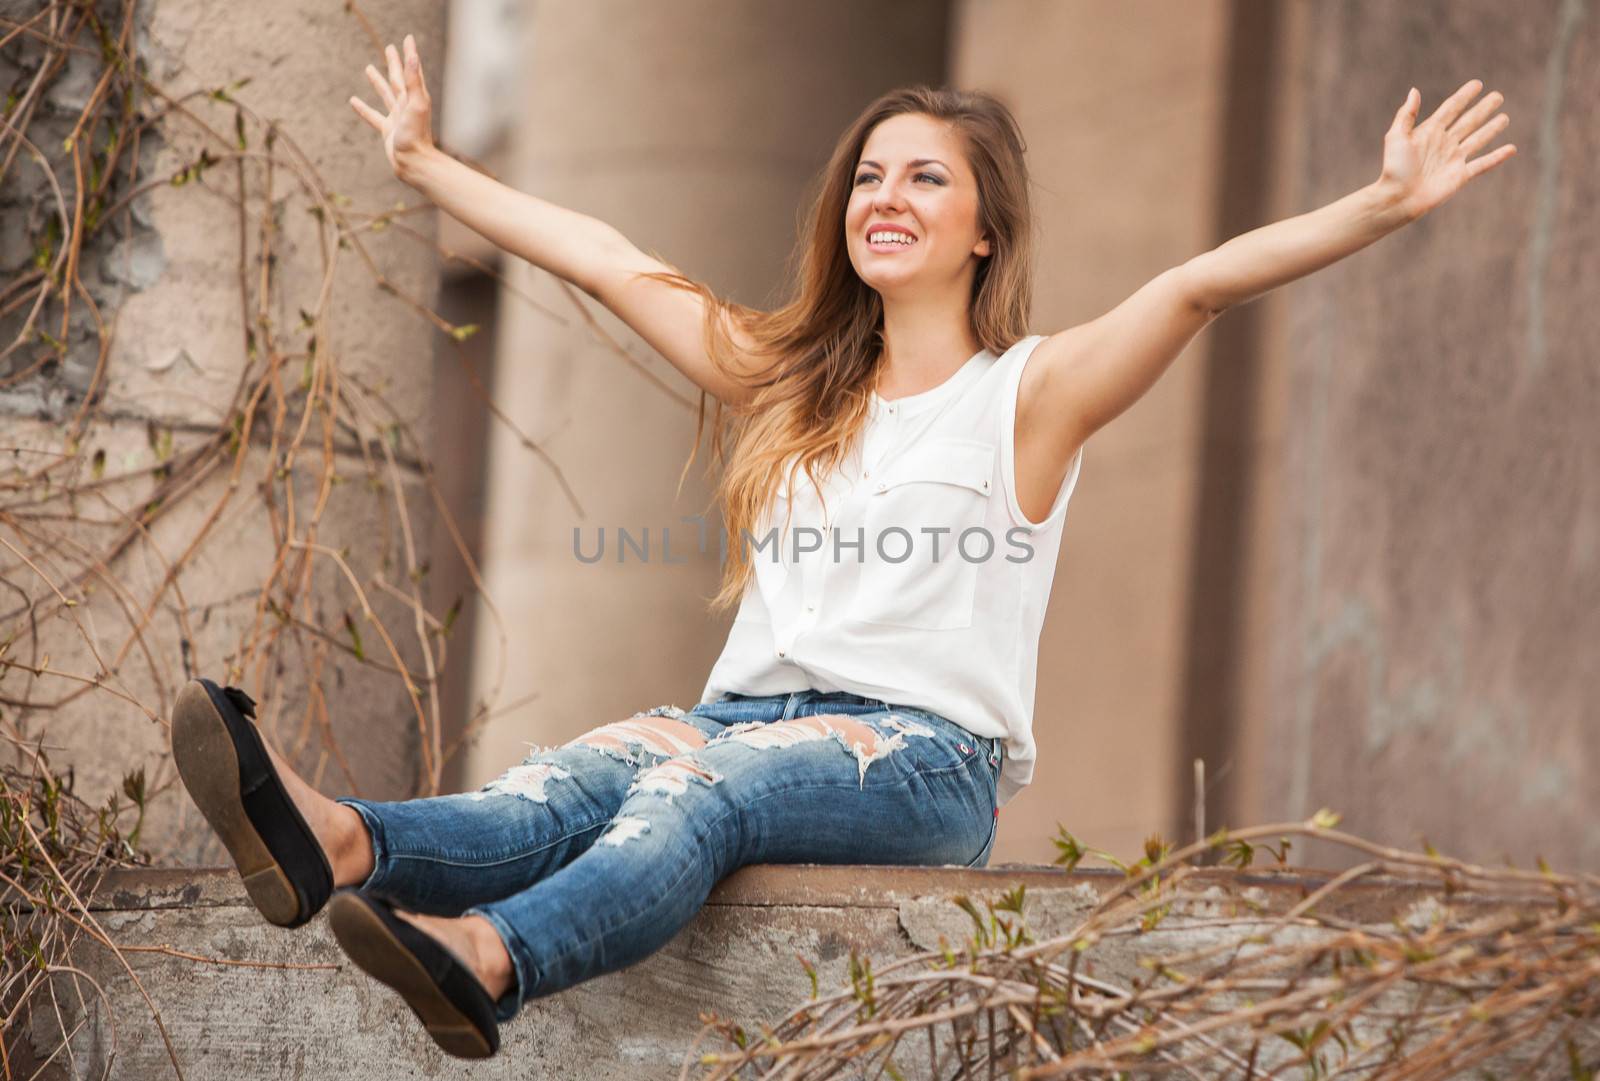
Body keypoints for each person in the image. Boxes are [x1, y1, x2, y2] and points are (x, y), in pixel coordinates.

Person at [170, 31, 1513, 1059]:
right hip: (751, 718)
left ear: (984, 231)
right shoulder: (795, 382)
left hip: (923, 757)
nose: (888, 193)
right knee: (565, 783)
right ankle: (343, 843)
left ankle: (490, 958)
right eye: (871, 174)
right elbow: (605, 258)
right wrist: (427, 166)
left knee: (687, 798)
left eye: (927, 177)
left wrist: (1384, 206)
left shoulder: (1028, 396)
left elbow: (1194, 285)